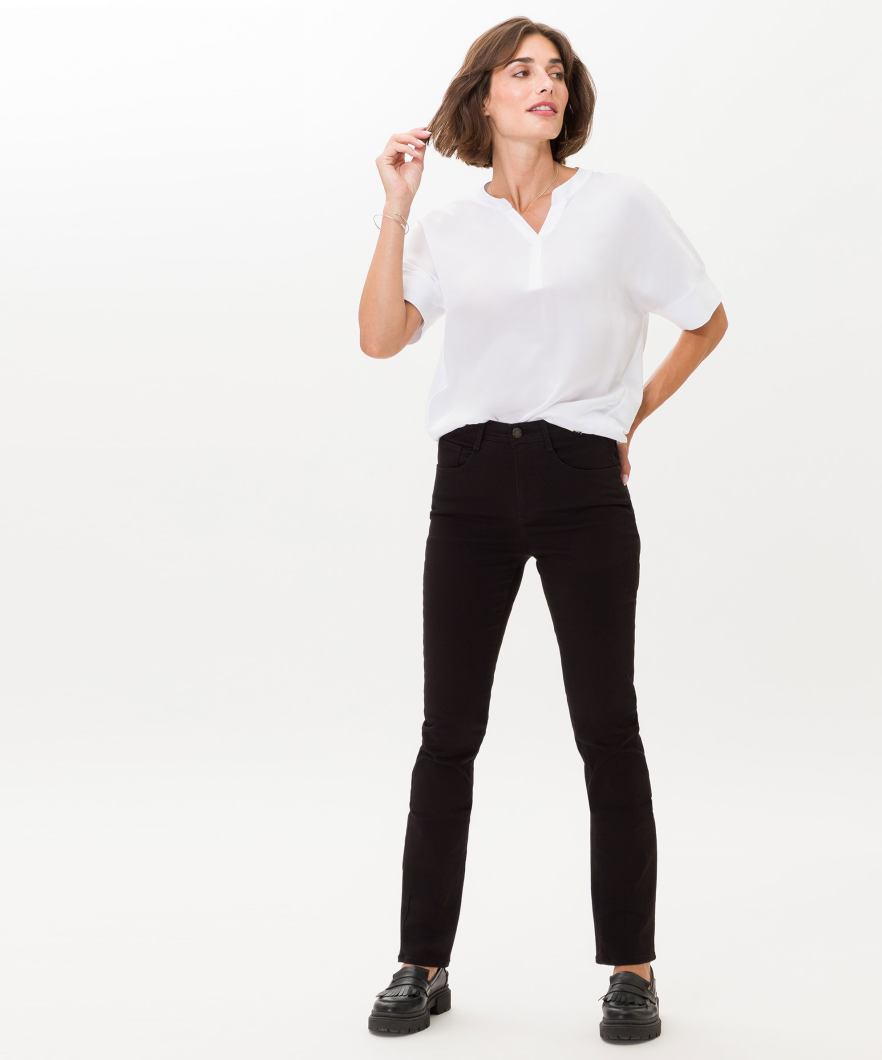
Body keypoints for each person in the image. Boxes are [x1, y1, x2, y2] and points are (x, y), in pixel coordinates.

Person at [359, 16, 727, 1044]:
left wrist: (628, 417)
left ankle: (631, 969)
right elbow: (381, 339)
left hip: (579, 479)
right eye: (521, 70)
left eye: (556, 72)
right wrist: (396, 209)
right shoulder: (448, 226)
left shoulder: (617, 207)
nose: (544, 85)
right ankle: (422, 961)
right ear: (482, 95)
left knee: (607, 726)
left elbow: (706, 317)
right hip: (471, 481)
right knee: (449, 732)